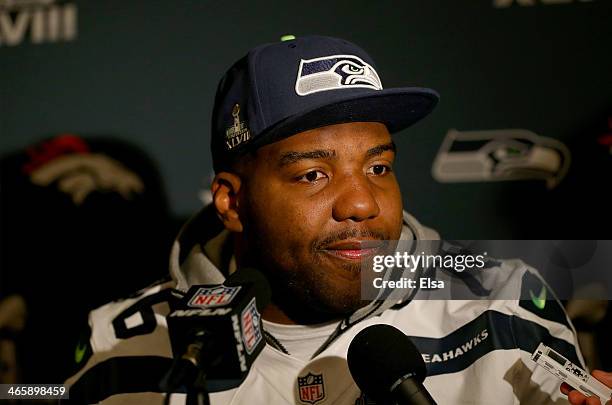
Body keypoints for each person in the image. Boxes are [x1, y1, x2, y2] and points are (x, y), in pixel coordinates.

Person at [66, 35, 591, 404]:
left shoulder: (503, 303)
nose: (362, 203)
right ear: (230, 203)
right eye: (314, 174)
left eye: (378, 166)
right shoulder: (120, 343)